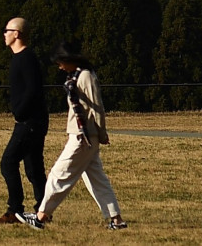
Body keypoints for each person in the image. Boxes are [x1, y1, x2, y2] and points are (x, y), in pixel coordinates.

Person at [25, 42, 126, 230]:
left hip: (83, 137)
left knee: (59, 174)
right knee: (96, 179)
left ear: (70, 59)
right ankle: (116, 220)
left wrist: (102, 133)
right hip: (84, 135)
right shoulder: (76, 75)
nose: (60, 67)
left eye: (61, 63)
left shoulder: (86, 76)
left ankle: (41, 217)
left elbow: (98, 107)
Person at [0, 15, 49, 225]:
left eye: (7, 30)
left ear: (16, 34)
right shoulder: (21, 58)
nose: (4, 34)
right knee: (34, 168)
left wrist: (19, 112)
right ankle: (44, 209)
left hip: (29, 122)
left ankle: (15, 209)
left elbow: (33, 90)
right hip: (34, 121)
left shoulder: (25, 58)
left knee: (8, 162)